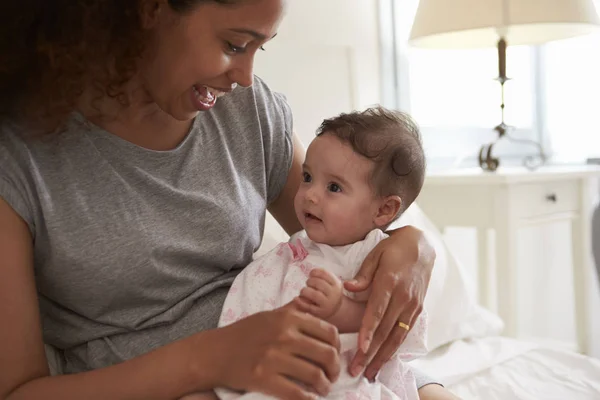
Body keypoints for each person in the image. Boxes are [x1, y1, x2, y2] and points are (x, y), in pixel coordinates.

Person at [0, 1, 459, 399]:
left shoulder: (246, 111)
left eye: (263, 47)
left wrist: (410, 243)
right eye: (236, 44)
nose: (245, 77)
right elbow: (17, 391)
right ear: (148, 11)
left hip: (308, 369)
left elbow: (341, 222)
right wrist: (211, 359)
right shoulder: (20, 157)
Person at [209, 106, 428, 400]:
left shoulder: (373, 259)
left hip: (352, 381)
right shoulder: (287, 256)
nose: (310, 194)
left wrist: (342, 311)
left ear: (383, 209)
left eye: (334, 187)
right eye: (308, 177)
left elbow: (398, 330)